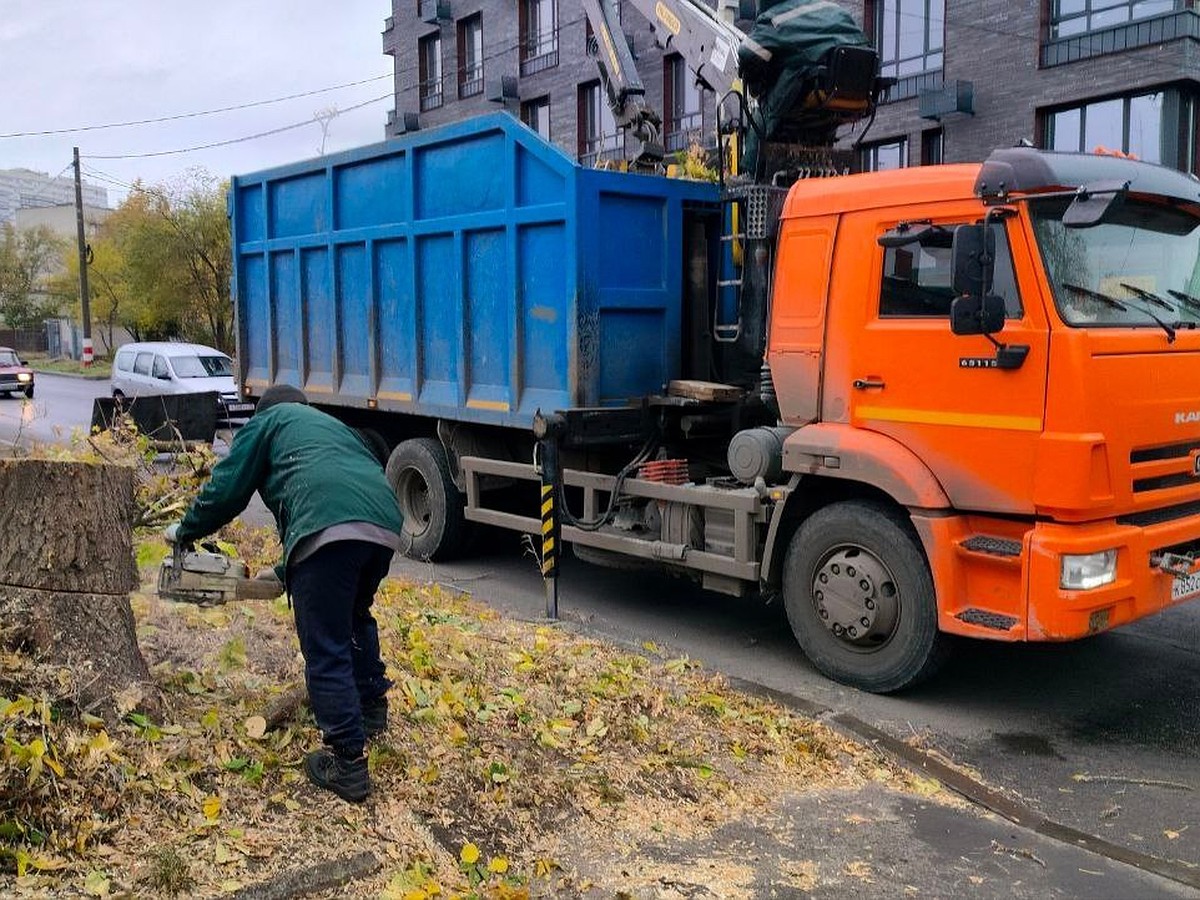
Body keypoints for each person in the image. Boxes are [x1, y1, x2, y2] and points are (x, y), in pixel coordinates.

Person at [169, 384, 404, 803]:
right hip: (383, 525)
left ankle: (347, 762)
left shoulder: (268, 423)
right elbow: (320, 494)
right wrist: (284, 571)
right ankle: (370, 708)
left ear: (264, 412)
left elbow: (227, 490)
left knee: (325, 640)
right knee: (354, 617)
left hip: (330, 527)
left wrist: (185, 530)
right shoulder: (330, 427)